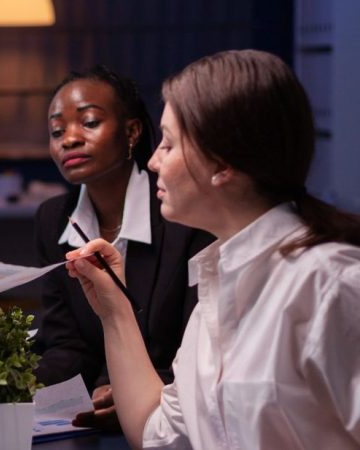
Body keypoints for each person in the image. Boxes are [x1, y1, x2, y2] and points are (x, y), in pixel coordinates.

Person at [67, 49, 360, 449]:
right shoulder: (217, 287)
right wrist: (113, 308)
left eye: (168, 145)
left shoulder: (330, 284)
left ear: (222, 164)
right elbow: (158, 433)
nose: (153, 161)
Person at [32, 66, 213, 429]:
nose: (68, 139)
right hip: (90, 420)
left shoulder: (182, 211)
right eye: (56, 130)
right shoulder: (53, 219)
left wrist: (139, 389)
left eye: (89, 123)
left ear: (131, 131)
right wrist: (14, 388)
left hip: (180, 414)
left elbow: (199, 347)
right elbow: (67, 345)